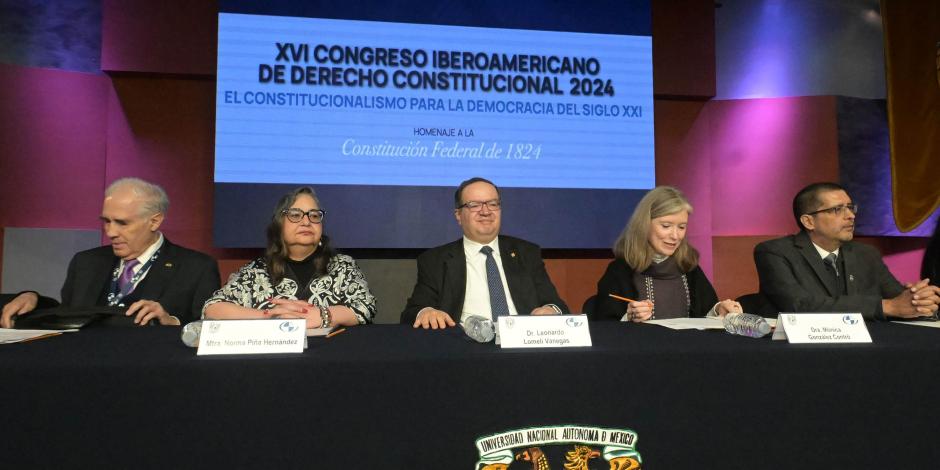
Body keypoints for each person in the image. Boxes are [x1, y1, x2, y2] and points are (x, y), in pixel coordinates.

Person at [0, 178, 221, 328]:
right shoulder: (86, 262)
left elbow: (207, 331)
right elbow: (65, 314)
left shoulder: (196, 268)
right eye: (106, 221)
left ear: (155, 221)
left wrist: (170, 321)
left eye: (122, 223)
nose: (110, 232)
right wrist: (34, 299)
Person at [754, 182, 940, 320]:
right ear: (809, 221)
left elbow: (897, 298)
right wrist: (886, 307)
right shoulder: (775, 252)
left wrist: (918, 301)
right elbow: (798, 305)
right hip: (795, 351)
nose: (851, 216)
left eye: (850, 208)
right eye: (837, 210)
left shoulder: (866, 254)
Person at [401, 177, 568, 329]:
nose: (486, 211)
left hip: (523, 344)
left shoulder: (526, 253)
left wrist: (550, 310)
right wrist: (427, 312)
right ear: (458, 215)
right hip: (464, 348)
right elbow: (414, 311)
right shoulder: (435, 260)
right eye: (474, 205)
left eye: (493, 204)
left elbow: (556, 305)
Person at [203, 187, 375, 328]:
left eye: (314, 215)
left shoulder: (342, 266)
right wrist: (270, 317)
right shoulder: (256, 271)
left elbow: (365, 307)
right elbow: (212, 309)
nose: (306, 222)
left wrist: (322, 315)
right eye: (295, 215)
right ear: (279, 224)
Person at [593, 186, 741, 322]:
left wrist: (718, 310)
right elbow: (604, 325)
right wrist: (629, 317)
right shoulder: (620, 271)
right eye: (666, 226)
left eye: (682, 227)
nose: (675, 236)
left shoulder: (689, 268)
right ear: (644, 224)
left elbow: (703, 315)